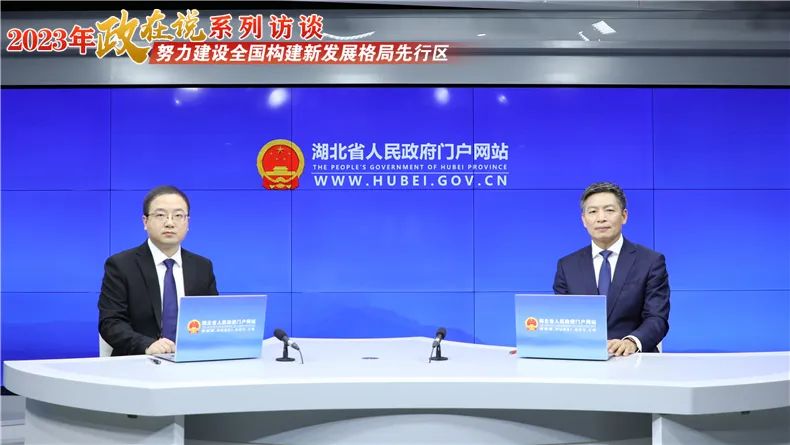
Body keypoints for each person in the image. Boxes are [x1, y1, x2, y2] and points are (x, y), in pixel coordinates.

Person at [98, 185, 218, 356]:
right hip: (139, 360)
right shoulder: (121, 265)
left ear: (187, 223)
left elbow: (212, 318)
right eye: (161, 215)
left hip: (190, 361)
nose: (170, 223)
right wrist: (147, 345)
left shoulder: (202, 266)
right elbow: (110, 323)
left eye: (178, 216)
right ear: (145, 222)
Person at [553, 182, 669, 356]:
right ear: (584, 220)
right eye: (593, 212)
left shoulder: (650, 261)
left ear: (624, 216)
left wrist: (631, 342)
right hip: (583, 359)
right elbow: (561, 319)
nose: (601, 218)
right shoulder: (567, 265)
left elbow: (657, 318)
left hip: (634, 359)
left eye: (609, 210)